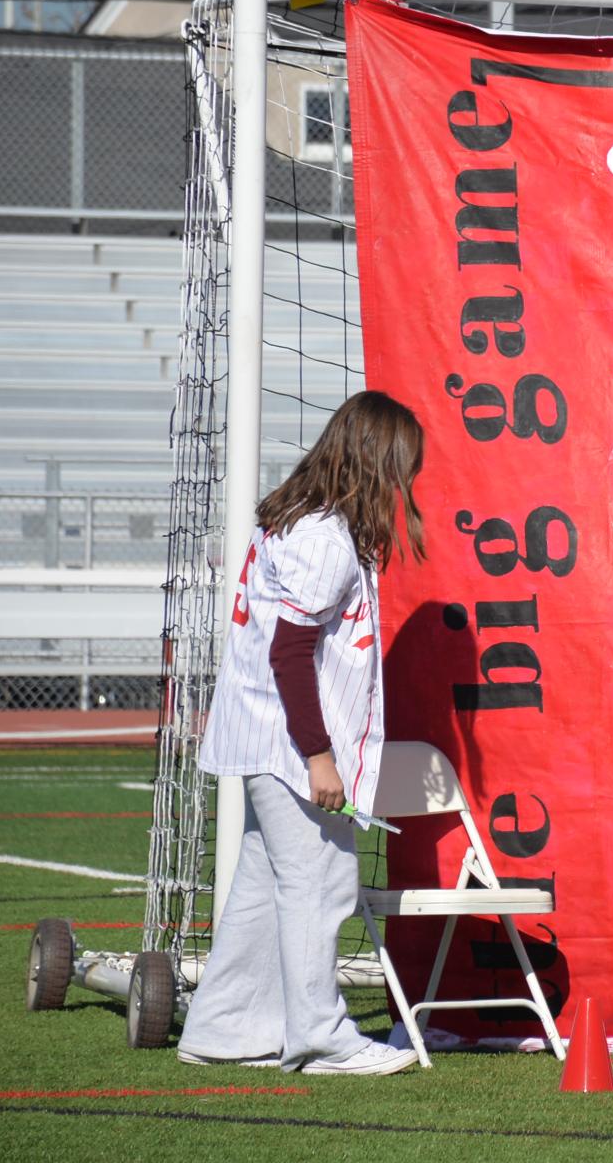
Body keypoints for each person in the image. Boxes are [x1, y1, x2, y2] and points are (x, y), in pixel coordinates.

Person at [177, 391, 427, 1076]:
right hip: (289, 745)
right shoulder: (323, 539)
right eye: (403, 468)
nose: (406, 485)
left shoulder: (299, 520)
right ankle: (320, 1036)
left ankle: (224, 1028)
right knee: (321, 884)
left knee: (265, 886)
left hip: (265, 734)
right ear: (376, 460)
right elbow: (289, 656)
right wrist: (318, 757)